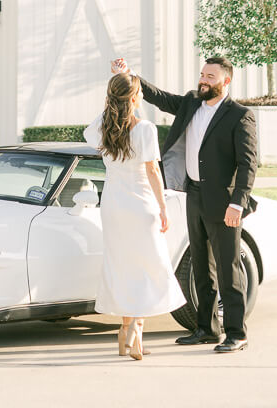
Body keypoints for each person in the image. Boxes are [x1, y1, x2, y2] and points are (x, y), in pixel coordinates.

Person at [111, 54, 257, 354]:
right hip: (194, 195)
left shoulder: (240, 115)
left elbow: (248, 164)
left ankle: (236, 332)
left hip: (225, 202)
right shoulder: (192, 102)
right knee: (201, 266)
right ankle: (205, 328)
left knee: (229, 270)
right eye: (202, 74)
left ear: (226, 81)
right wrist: (131, 74)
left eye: (210, 77)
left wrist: (237, 204)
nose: (203, 80)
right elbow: (160, 98)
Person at [83, 72, 185, 360]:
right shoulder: (145, 129)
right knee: (148, 265)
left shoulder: (104, 126)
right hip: (140, 203)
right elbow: (153, 171)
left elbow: (90, 132)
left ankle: (124, 332)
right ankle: (136, 332)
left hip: (113, 204)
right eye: (138, 92)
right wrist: (163, 206)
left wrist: (113, 97)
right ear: (133, 97)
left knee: (122, 264)